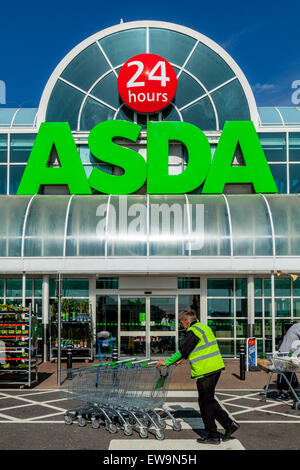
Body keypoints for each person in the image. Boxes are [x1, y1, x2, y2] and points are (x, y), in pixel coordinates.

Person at [156, 309, 240, 445]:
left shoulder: (193, 330)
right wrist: (184, 358)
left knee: (205, 404)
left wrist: (166, 362)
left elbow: (183, 349)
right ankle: (229, 424)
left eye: (181, 323)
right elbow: (197, 347)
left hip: (206, 370)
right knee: (209, 400)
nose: (181, 326)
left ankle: (213, 435)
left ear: (187, 321)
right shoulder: (203, 327)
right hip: (215, 367)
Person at [276, 322, 300, 401]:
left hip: (288, 354)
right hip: (286, 354)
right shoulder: (298, 326)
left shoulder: (296, 326)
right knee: (284, 372)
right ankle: (280, 393)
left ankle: (289, 391)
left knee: (288, 373)